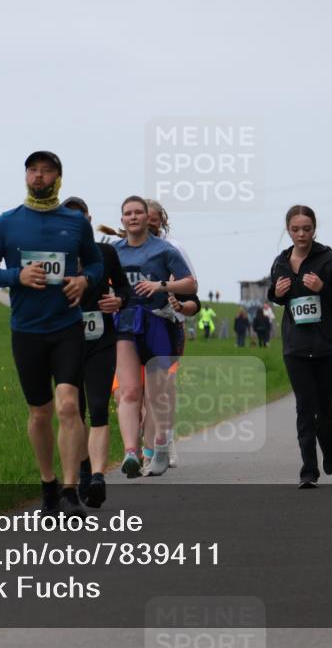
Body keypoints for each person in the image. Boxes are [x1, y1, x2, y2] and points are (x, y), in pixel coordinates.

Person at [0, 151, 102, 517]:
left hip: (67, 327)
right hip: (26, 330)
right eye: (33, 170)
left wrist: (84, 279)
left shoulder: (76, 223)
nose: (39, 177)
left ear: (59, 178)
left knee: (66, 404)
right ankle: (47, 484)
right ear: (26, 176)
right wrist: (17, 276)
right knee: (40, 413)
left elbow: (94, 262)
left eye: (47, 171)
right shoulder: (6, 223)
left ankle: (69, 490)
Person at [267, 205, 332, 488]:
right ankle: (308, 470)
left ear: (314, 229)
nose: (301, 234)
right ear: (288, 230)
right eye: (295, 229)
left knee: (324, 409)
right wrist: (275, 293)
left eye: (307, 228)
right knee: (305, 408)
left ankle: (330, 448)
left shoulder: (328, 259)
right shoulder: (280, 262)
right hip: (295, 346)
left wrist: (322, 289)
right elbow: (276, 296)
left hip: (327, 345)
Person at [112, 196, 196, 478]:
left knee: (156, 394)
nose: (133, 217)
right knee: (130, 391)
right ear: (122, 219)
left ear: (147, 217)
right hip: (125, 323)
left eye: (138, 212)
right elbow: (103, 284)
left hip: (158, 324)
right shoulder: (114, 251)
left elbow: (190, 284)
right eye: (128, 213)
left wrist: (161, 285)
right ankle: (130, 453)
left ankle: (160, 445)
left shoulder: (164, 250)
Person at [61, 197, 131, 509]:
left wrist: (118, 302)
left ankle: (99, 476)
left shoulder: (105, 253)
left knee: (99, 407)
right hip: (64, 343)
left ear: (89, 220)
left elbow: (126, 291)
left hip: (101, 339)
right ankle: (85, 469)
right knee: (73, 412)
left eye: (81, 219)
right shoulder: (54, 258)